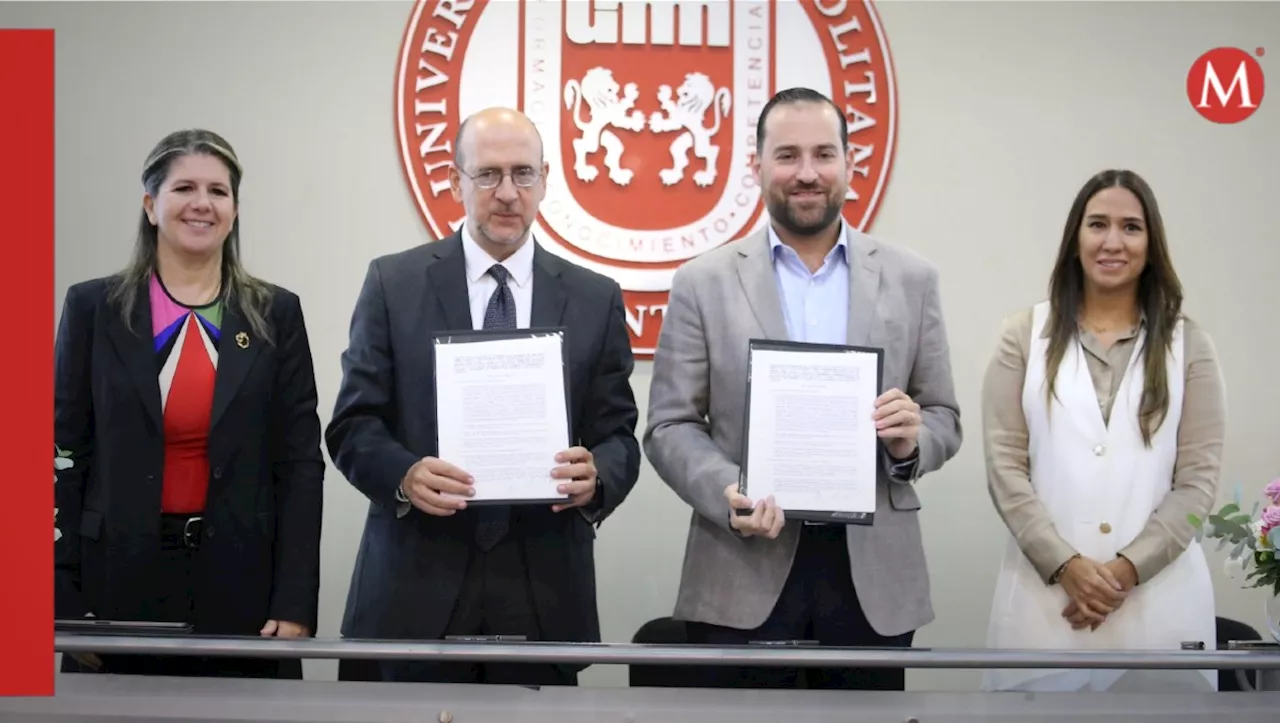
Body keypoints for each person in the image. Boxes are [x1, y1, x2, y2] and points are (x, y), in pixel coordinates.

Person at [642, 87, 962, 691]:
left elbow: (944, 413)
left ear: (848, 163)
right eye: (787, 156)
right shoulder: (701, 282)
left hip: (872, 578)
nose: (807, 173)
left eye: (823, 154)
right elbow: (667, 426)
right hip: (743, 566)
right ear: (757, 166)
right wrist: (727, 490)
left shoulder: (912, 279)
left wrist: (911, 443)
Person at [326, 107, 641, 687]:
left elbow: (619, 433)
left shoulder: (595, 298)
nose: (506, 193)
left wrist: (598, 476)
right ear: (455, 181)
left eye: (523, 174)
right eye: (487, 175)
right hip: (415, 583)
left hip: (540, 585)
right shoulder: (393, 284)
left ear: (546, 179)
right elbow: (353, 423)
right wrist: (404, 474)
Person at [53, 129, 325, 678]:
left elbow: (299, 464)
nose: (203, 203)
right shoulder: (92, 308)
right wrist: (58, 600)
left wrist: (294, 601)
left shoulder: (277, 313)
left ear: (235, 210)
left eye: (219, 192)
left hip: (244, 586)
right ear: (151, 205)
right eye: (184, 188)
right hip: (115, 583)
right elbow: (60, 455)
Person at [980, 169, 1224, 693]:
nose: (1113, 241)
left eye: (1131, 227)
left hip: (1160, 610)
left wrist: (1126, 571)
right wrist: (1064, 564)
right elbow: (1005, 469)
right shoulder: (1023, 336)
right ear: (1075, 240)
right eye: (1098, 225)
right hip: (1044, 608)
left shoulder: (1190, 345)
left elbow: (1198, 482)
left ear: (1151, 245)